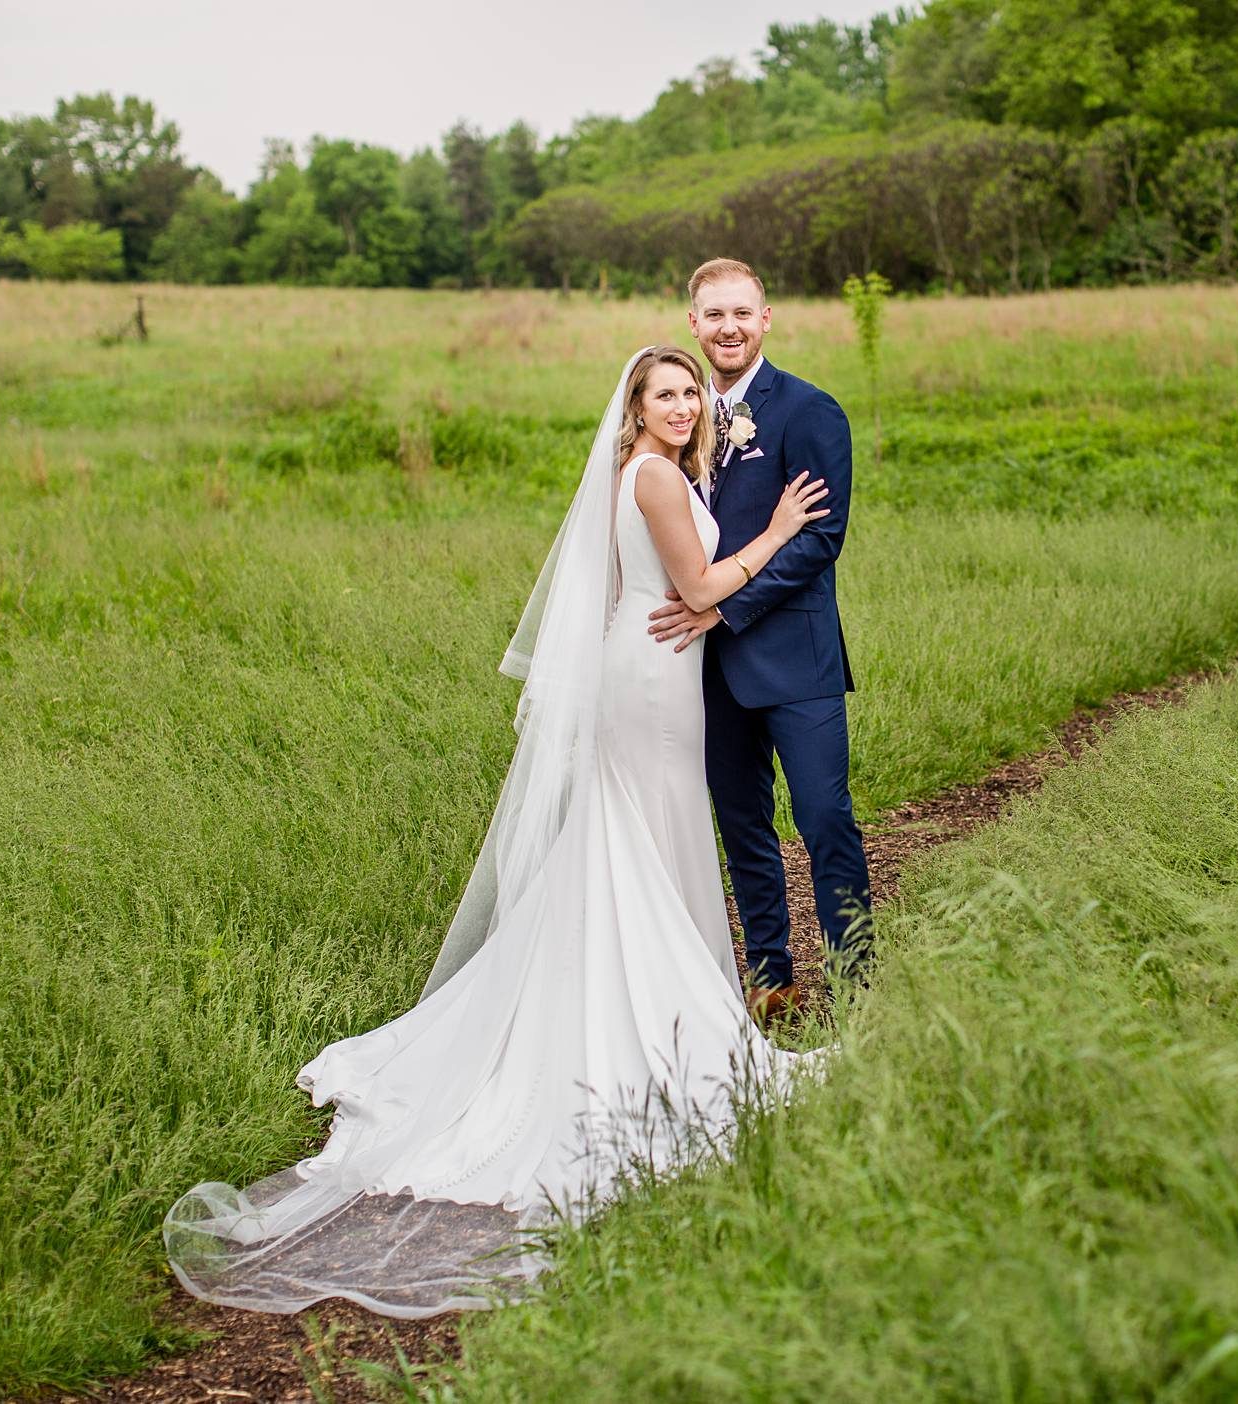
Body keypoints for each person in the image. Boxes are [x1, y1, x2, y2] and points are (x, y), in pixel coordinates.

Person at [163, 345, 830, 1318]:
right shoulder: (649, 476)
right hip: (647, 687)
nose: (683, 406)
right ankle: (646, 1027)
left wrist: (694, 593)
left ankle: (662, 1007)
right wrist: (772, 531)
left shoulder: (648, 473)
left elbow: (671, 593)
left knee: (639, 845)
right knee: (636, 846)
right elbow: (700, 586)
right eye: (665, 394)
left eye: (692, 393)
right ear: (635, 409)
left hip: (651, 674)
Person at [648, 258, 875, 1023]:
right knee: (742, 827)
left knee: (823, 821)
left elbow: (820, 541)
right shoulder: (677, 419)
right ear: (694, 324)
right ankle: (772, 976)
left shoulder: (809, 410)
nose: (729, 328)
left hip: (795, 660)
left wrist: (724, 610)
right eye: (714, 315)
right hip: (705, 671)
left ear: (767, 317)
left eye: (742, 313)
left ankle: (856, 978)